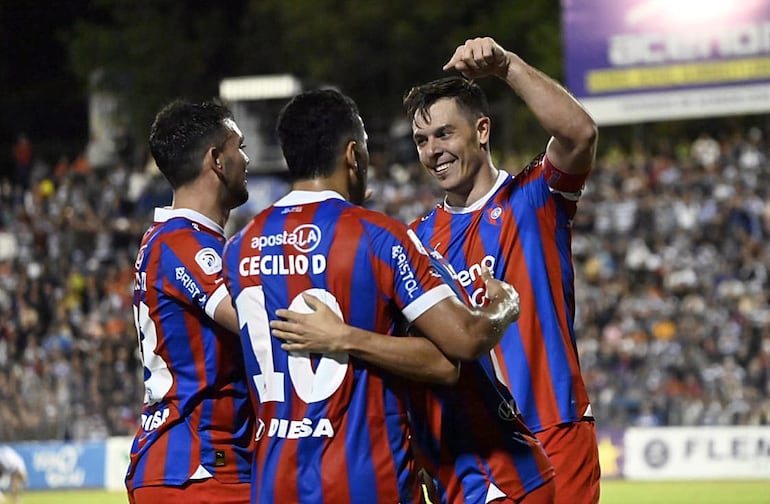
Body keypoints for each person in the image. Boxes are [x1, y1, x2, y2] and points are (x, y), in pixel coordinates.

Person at [221, 88, 523, 503]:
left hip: (275, 480)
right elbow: (459, 348)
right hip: (365, 478)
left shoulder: (238, 247)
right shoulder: (377, 236)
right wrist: (504, 304)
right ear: (352, 155)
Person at [403, 37, 601, 503]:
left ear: (483, 130)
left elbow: (580, 134)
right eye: (421, 141)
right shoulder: (414, 241)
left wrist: (507, 66)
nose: (432, 151)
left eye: (444, 134)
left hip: (554, 427)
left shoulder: (534, 199)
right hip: (471, 451)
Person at [125, 99, 254, 504]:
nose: (247, 160)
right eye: (240, 147)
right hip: (198, 468)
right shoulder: (183, 242)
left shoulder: (173, 240)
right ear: (217, 160)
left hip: (193, 465)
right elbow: (255, 319)